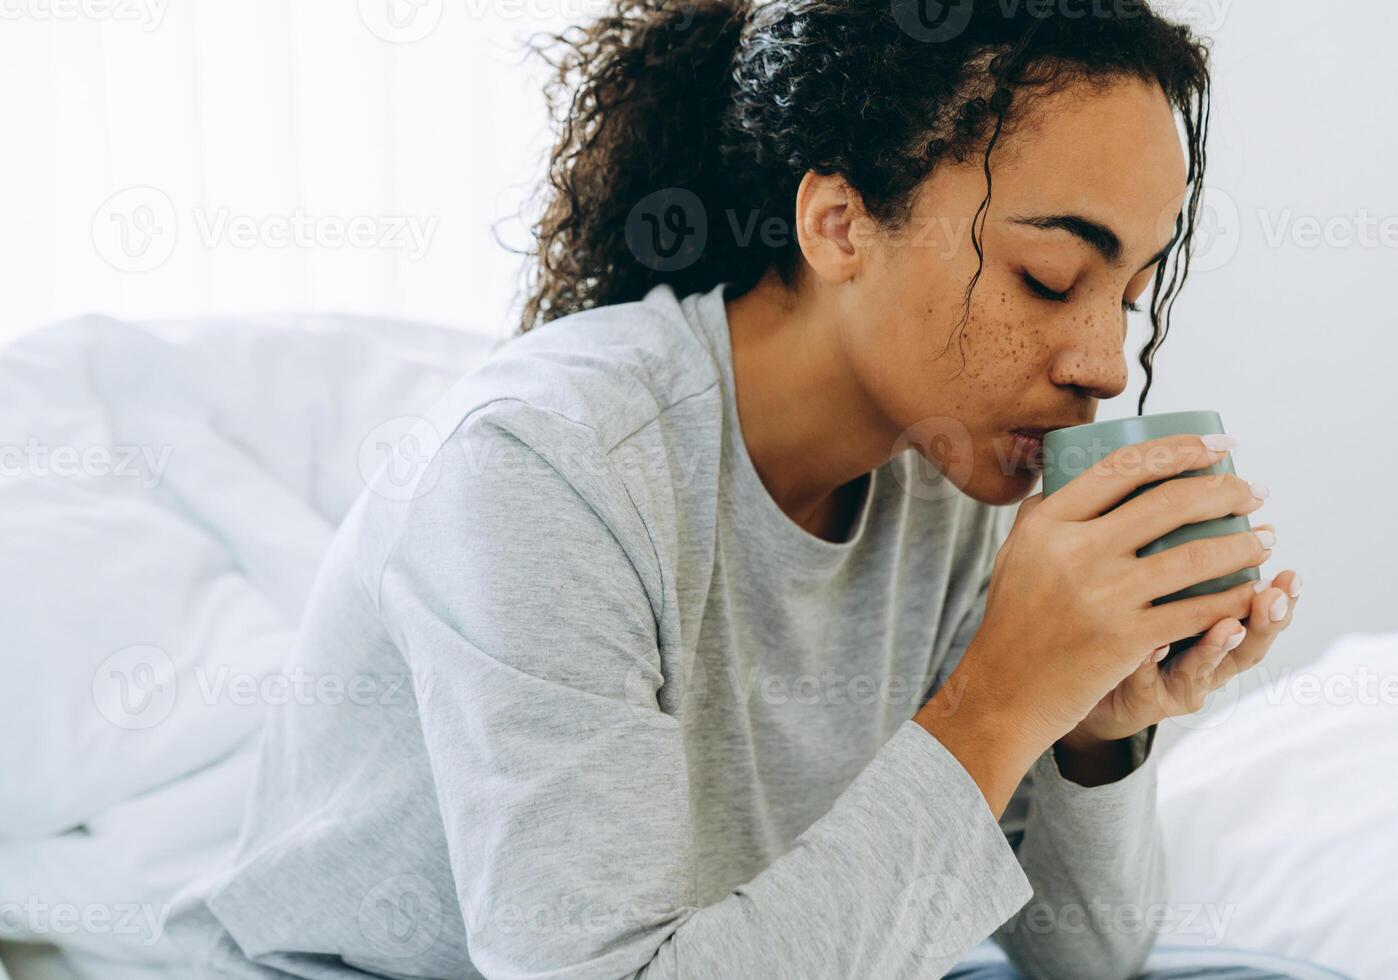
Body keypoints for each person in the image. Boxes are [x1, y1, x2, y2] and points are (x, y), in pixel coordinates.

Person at [168, 0, 1324, 977]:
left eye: (1126, 290)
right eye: (1049, 274)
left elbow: (1084, 955)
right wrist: (1001, 696)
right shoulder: (545, 466)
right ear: (838, 224)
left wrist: (1091, 732)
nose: (1106, 362)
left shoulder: (954, 469)